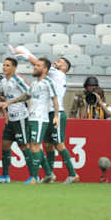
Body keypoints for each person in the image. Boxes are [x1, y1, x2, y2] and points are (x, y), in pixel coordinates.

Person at [11, 46, 79, 183]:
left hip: (56, 113)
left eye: (60, 62)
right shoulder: (50, 78)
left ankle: (73, 174)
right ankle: (50, 174)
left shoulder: (58, 74)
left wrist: (25, 53)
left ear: (64, 67)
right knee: (47, 145)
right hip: (44, 113)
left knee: (59, 144)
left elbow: (38, 63)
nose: (56, 62)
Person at [0, 57, 58, 184]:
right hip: (28, 117)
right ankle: (48, 173)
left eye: (38, 66)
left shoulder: (46, 82)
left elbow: (54, 99)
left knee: (32, 146)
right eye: (35, 65)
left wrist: (57, 116)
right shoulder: (34, 84)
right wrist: (8, 103)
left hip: (33, 117)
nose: (35, 67)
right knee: (32, 146)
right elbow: (26, 95)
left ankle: (34, 176)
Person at [0, 58, 32, 182]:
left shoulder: (18, 79)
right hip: (10, 118)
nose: (4, 67)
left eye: (7, 65)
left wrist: (9, 102)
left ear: (14, 68)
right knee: (5, 145)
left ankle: (34, 176)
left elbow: (29, 93)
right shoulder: (4, 81)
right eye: (3, 65)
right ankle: (5, 176)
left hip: (20, 117)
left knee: (24, 146)